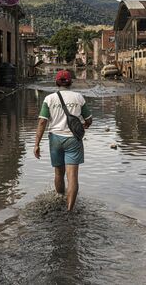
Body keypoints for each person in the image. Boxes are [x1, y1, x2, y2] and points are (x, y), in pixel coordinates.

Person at [34, 70, 92, 211]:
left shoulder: (49, 99)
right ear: (71, 82)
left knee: (59, 173)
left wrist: (36, 144)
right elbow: (89, 119)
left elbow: (42, 122)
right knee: (72, 176)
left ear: (56, 82)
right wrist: (83, 125)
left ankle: (60, 199)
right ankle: (69, 210)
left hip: (55, 139)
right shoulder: (79, 97)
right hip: (73, 139)